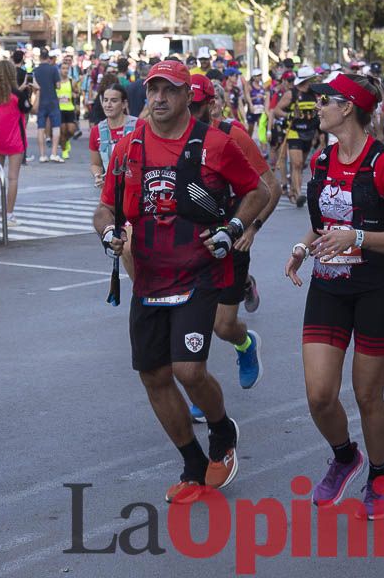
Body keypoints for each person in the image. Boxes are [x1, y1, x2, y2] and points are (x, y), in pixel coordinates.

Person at [94, 59, 269, 505]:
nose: (158, 98)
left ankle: (222, 430)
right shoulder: (129, 146)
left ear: (188, 96)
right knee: (153, 374)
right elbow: (105, 209)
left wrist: (233, 229)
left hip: (200, 271)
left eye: (169, 90)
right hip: (149, 276)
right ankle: (192, 465)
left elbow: (258, 191)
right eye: (153, 90)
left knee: (188, 369)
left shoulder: (216, 143)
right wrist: (110, 233)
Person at [283, 72, 384, 515]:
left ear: (348, 109)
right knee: (319, 395)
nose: (318, 107)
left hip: (377, 290)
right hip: (328, 286)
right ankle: (346, 457)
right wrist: (304, 247)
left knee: (366, 395)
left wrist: (357, 237)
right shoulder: (322, 161)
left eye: (327, 100)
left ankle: (378, 475)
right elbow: (326, 223)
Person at [182, 76, 280, 421]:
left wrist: (252, 227)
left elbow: (271, 186)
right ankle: (199, 389)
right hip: (188, 244)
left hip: (230, 239)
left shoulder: (232, 135)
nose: (188, 113)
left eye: (195, 107)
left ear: (210, 105)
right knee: (193, 320)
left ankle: (246, 344)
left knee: (224, 326)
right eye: (185, 105)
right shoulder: (169, 135)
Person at [273, 66, 321, 207]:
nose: (315, 80)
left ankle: (294, 190)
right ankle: (299, 193)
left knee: (300, 166)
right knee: (297, 163)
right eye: (313, 78)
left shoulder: (314, 94)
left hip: (309, 133)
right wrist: (289, 115)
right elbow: (277, 110)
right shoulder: (291, 94)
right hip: (294, 132)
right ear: (307, 80)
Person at [0, 59, 26, 224]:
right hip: (16, 140)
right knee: (13, 178)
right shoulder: (18, 95)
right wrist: (35, 93)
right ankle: (9, 214)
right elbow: (31, 109)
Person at [31, 49, 63, 163]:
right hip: (53, 100)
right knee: (56, 127)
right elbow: (58, 86)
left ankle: (42, 155)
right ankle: (54, 153)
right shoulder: (53, 69)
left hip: (41, 100)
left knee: (40, 128)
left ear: (40, 57)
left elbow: (34, 88)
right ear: (48, 57)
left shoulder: (36, 70)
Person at [57, 57, 80, 160]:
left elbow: (77, 92)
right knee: (62, 131)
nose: (65, 70)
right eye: (63, 68)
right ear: (60, 70)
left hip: (70, 108)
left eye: (67, 68)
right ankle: (64, 150)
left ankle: (66, 142)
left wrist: (75, 95)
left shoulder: (72, 81)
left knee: (71, 130)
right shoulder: (56, 82)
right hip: (59, 109)